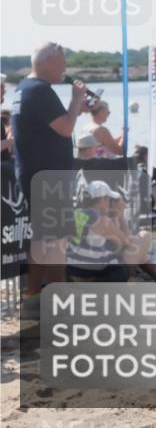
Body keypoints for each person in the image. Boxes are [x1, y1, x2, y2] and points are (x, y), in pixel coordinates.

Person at [10, 43, 88, 299]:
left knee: (42, 237)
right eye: (63, 63)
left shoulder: (23, 88)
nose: (65, 69)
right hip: (48, 176)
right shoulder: (40, 91)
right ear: (50, 62)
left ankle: (33, 291)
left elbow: (51, 125)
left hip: (34, 173)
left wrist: (74, 109)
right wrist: (76, 101)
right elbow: (65, 128)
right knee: (56, 240)